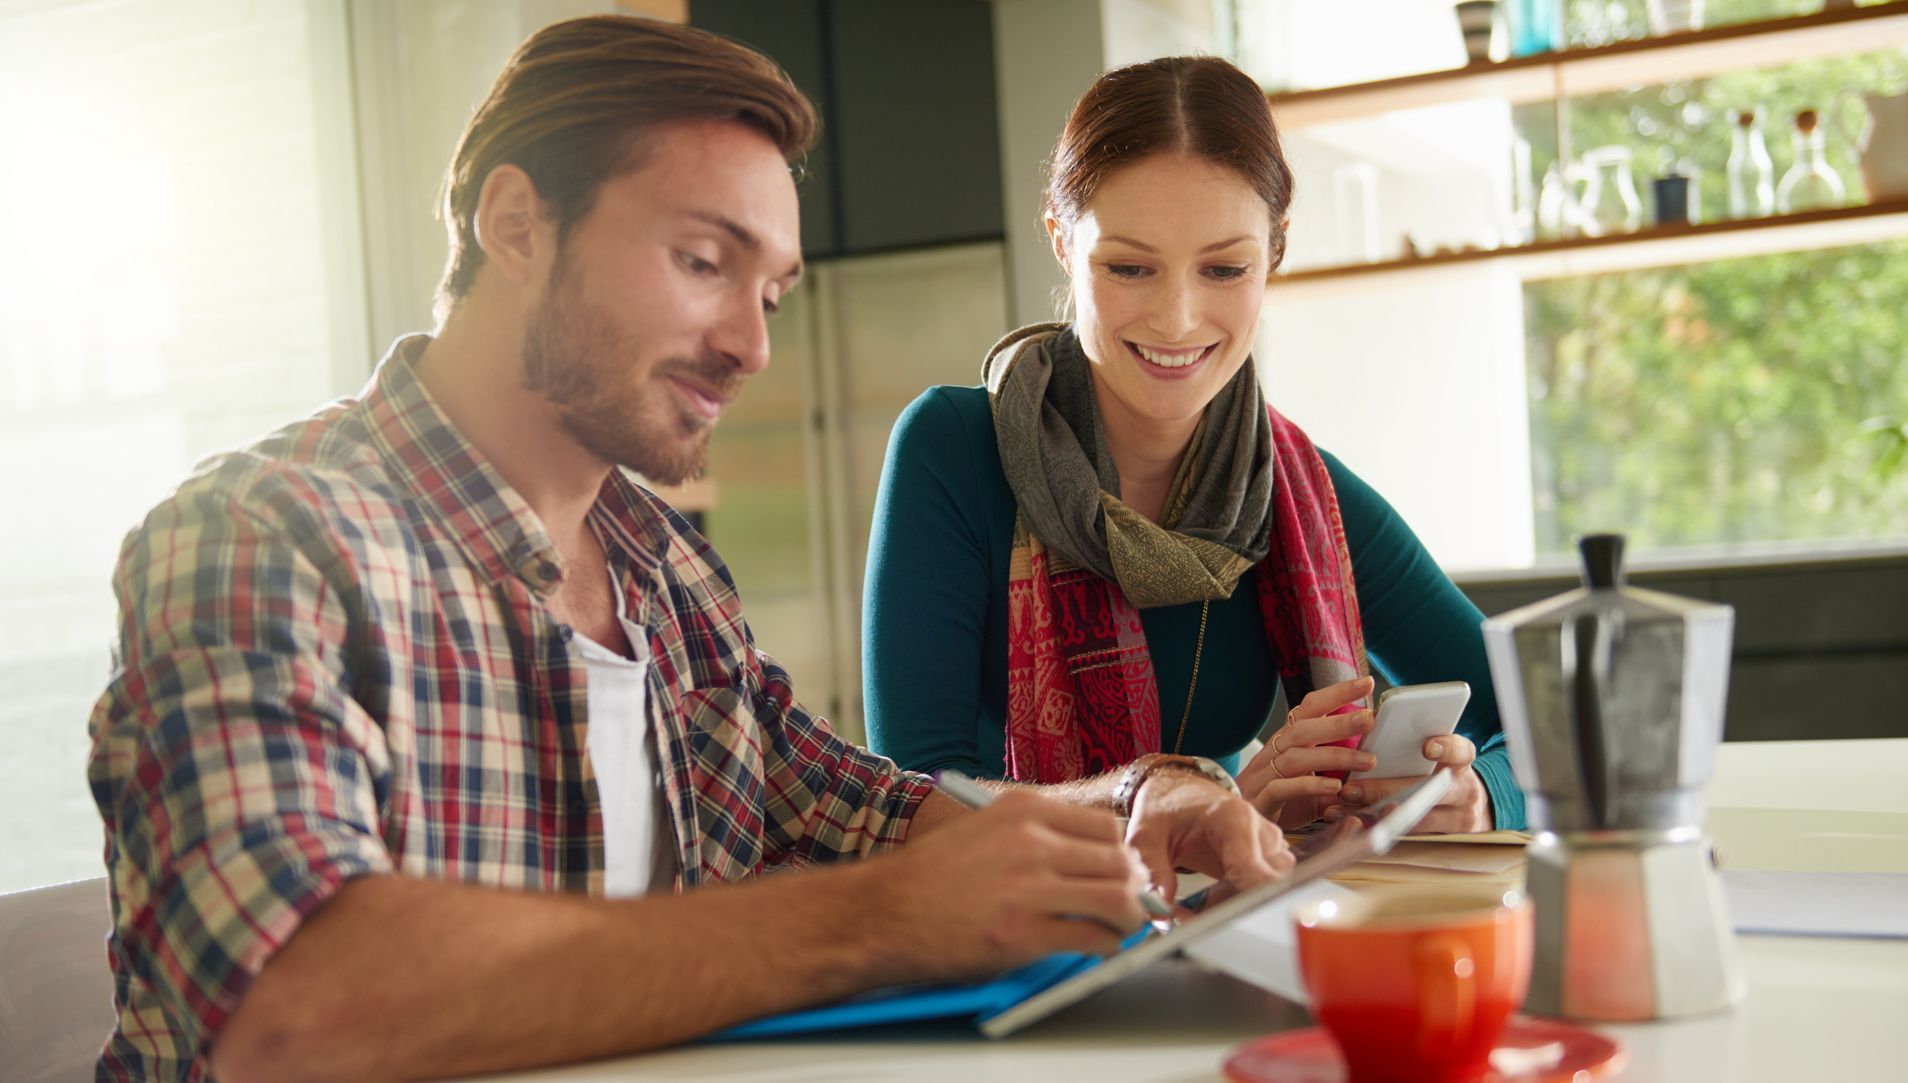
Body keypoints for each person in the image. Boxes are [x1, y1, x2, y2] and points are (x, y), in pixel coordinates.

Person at [85, 20, 1293, 1082]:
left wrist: (1136, 800)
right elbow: (291, 1007)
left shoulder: (664, 573)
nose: (750, 348)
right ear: (516, 223)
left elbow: (863, 809)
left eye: (768, 294)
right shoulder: (262, 540)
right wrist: (869, 921)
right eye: (704, 262)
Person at [862, 56, 1525, 837]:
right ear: (1060, 241)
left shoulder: (1296, 488)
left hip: (1241, 903)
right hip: (1015, 916)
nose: (1176, 318)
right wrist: (1211, 813)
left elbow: (1539, 725)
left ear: (1273, 251)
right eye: (1129, 266)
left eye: (1223, 267)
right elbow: (912, 806)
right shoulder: (951, 449)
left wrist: (1477, 794)